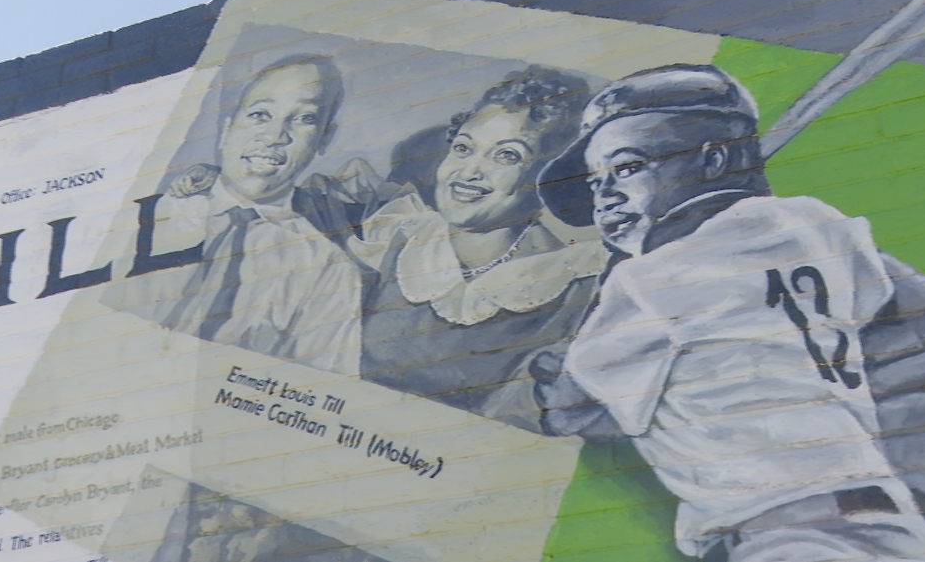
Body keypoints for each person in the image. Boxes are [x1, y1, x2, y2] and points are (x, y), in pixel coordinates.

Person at [533, 64, 925, 561]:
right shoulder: (817, 223)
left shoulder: (646, 282)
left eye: (627, 167)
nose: (604, 195)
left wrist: (557, 366)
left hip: (784, 536)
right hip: (893, 525)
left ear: (714, 159)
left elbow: (571, 408)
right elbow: (924, 304)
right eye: (595, 180)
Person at [348, 66, 606, 432]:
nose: (469, 172)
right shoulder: (398, 237)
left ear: (550, 176)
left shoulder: (575, 287)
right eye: (464, 148)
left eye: (506, 156)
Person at [134, 53, 364, 375]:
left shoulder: (327, 271)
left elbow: (319, 391)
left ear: (325, 137)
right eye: (260, 115)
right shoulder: (149, 217)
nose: (274, 137)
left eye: (304, 119)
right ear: (227, 129)